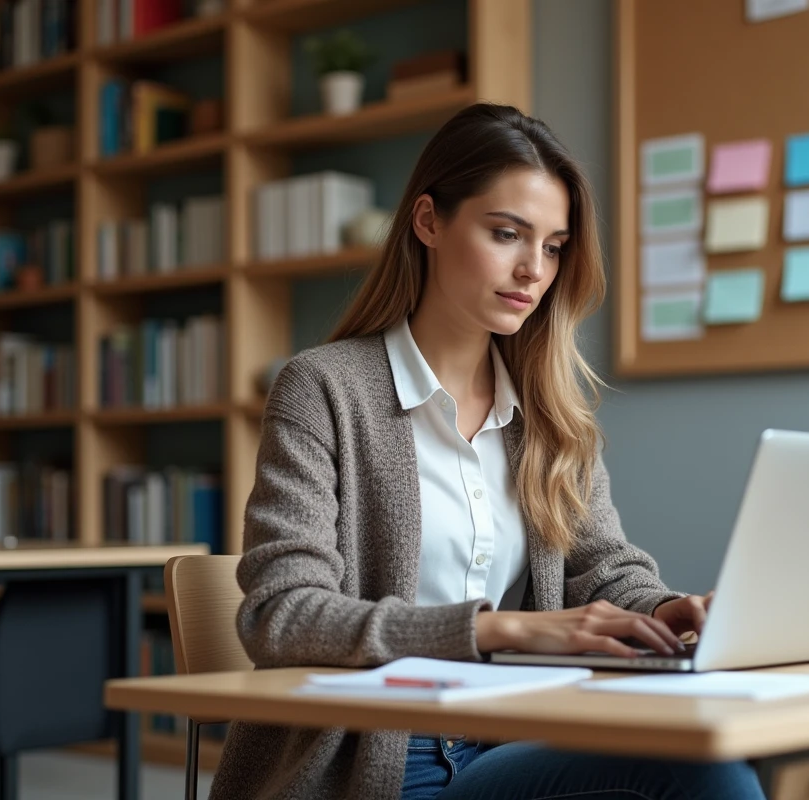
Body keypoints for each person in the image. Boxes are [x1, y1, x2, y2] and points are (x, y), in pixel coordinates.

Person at [210, 103, 766, 800]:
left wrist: (661, 611)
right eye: (507, 234)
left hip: (508, 736)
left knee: (710, 760)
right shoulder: (323, 390)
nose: (533, 269)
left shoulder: (548, 412)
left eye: (555, 246)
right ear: (429, 222)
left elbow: (603, 570)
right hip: (376, 762)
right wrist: (506, 631)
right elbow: (282, 615)